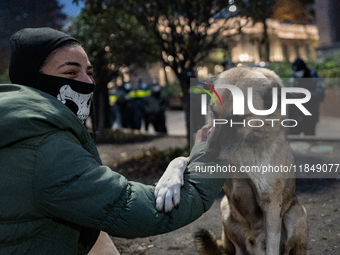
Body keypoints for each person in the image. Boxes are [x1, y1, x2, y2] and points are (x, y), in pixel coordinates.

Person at [1, 27, 226, 254]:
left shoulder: (17, 125)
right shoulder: (44, 146)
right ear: (32, 79)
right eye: (70, 73)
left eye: (89, 73)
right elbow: (136, 210)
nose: (87, 82)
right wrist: (213, 154)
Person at [288, 57, 325, 135]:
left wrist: (302, 94)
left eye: (299, 71)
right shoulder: (293, 79)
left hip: (309, 118)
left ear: (304, 69)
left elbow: (320, 95)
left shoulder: (314, 78)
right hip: (294, 117)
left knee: (310, 141)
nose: (297, 73)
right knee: (292, 141)